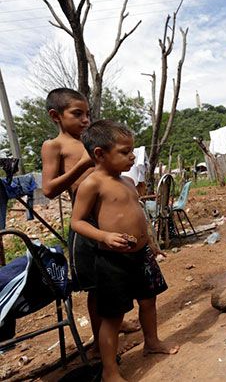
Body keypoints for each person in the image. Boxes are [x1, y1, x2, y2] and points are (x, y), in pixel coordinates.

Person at [71, 120, 178, 382]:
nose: (132, 156)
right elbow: (77, 222)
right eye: (124, 151)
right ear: (99, 154)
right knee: (113, 316)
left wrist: (150, 243)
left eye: (132, 150)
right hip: (112, 259)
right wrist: (104, 236)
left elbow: (137, 214)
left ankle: (151, 342)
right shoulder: (92, 184)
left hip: (140, 255)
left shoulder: (129, 181)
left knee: (149, 301)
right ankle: (110, 371)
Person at [41, 88, 140, 359]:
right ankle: (99, 344)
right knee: (97, 285)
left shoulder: (92, 140)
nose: (85, 119)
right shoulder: (55, 145)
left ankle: (116, 323)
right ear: (55, 116)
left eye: (87, 114)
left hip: (110, 217)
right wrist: (82, 165)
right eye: (77, 114)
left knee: (118, 278)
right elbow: (48, 189)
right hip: (85, 223)